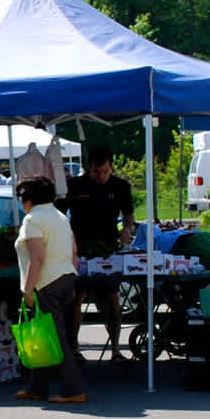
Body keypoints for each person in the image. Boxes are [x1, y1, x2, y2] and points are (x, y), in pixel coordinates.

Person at [11, 177, 88, 403]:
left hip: (45, 283)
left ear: (28, 198)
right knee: (42, 334)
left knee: (54, 337)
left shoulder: (32, 219)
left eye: (20, 197)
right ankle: (36, 387)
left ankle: (73, 390)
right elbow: (74, 251)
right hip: (65, 277)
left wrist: (27, 290)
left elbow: (37, 257)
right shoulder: (60, 216)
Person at [62, 145, 134, 361]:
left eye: (105, 171)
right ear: (88, 168)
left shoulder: (120, 186)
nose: (101, 176)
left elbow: (128, 214)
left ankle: (116, 349)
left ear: (111, 168)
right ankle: (74, 348)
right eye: (96, 172)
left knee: (111, 298)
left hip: (107, 249)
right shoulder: (74, 185)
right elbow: (59, 213)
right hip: (79, 248)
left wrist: (126, 229)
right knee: (76, 297)